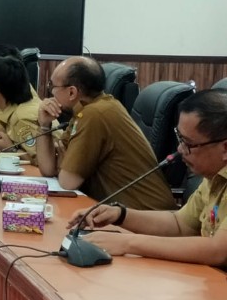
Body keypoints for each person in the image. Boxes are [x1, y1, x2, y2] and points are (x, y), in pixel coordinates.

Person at [69, 89, 227, 266]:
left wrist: (128, 243)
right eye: (180, 139)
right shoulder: (214, 176)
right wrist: (119, 215)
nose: (180, 149)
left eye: (188, 143)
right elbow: (179, 224)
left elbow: (218, 251)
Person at [36, 56, 174, 209]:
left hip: (146, 215)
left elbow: (67, 182)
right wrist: (44, 125)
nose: (51, 93)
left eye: (52, 86)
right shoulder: (86, 110)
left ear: (72, 92)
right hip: (120, 211)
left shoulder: (94, 114)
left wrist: (63, 164)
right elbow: (48, 168)